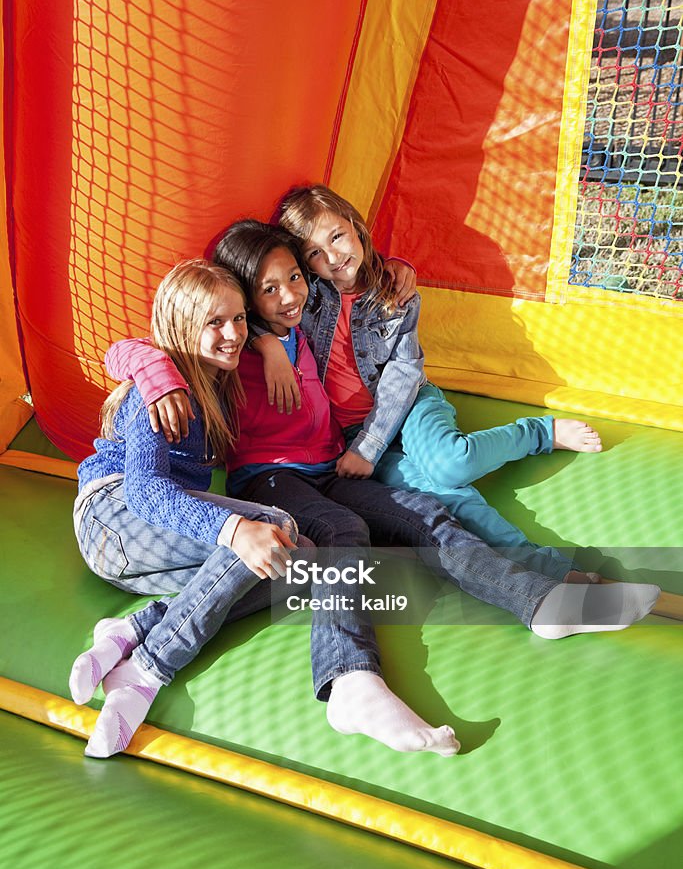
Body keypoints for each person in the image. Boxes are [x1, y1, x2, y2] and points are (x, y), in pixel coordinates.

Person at [105, 223, 660, 755]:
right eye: (268, 290)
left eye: (294, 278)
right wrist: (189, 364)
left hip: (329, 465)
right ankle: (350, 681)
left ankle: (540, 604)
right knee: (344, 531)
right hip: (271, 476)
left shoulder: (307, 315)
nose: (289, 295)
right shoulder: (226, 347)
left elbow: (353, 281)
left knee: (425, 513)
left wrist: (395, 268)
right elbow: (140, 346)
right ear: (247, 302)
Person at [258, 183, 606, 582]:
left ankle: (537, 433)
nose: (333, 257)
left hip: (410, 406)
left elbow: (404, 374)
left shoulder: (395, 292)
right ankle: (551, 569)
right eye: (314, 254)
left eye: (337, 237)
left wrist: (369, 448)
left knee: (451, 464)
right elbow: (251, 304)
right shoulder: (306, 297)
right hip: (352, 434)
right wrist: (265, 342)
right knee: (445, 497)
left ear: (356, 226)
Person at [70, 259, 304, 759]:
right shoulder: (162, 392)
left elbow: (269, 324)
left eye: (239, 318)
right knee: (272, 526)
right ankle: (148, 669)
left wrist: (268, 344)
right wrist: (235, 528)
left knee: (295, 562)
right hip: (111, 516)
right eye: (215, 322)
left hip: (138, 557)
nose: (233, 333)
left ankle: (133, 628)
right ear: (181, 325)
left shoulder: (217, 378)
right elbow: (146, 494)